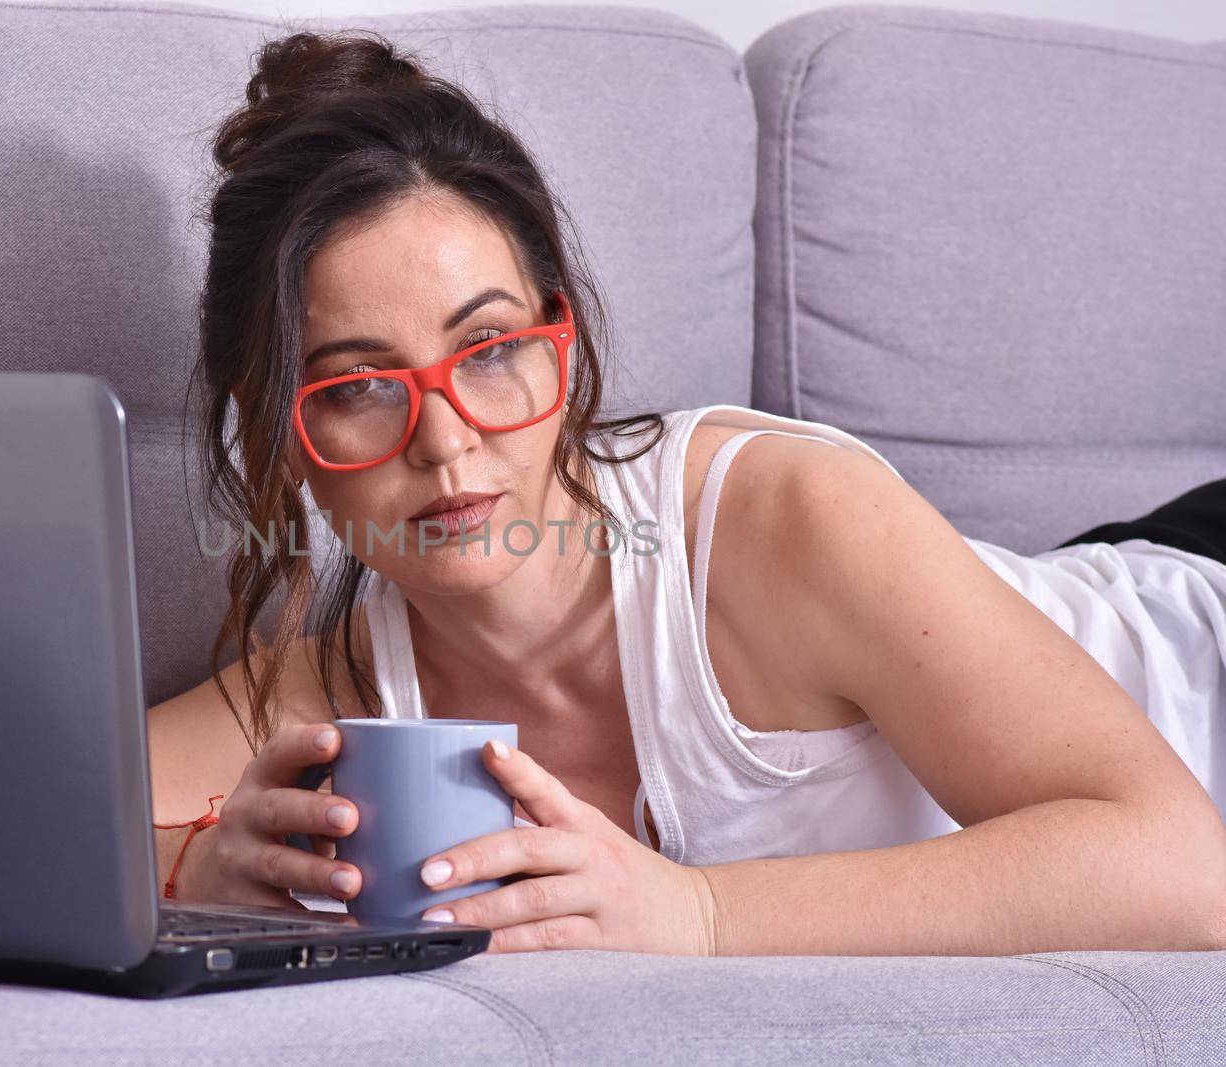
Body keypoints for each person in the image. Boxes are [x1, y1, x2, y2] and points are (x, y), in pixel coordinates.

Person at [146, 29, 1226, 956]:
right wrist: (194, 863)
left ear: (560, 355)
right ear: (279, 432)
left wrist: (699, 910)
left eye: (488, 350)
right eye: (360, 385)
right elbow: (6, 824)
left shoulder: (777, 518)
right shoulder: (327, 703)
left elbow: (1180, 862)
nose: (444, 438)